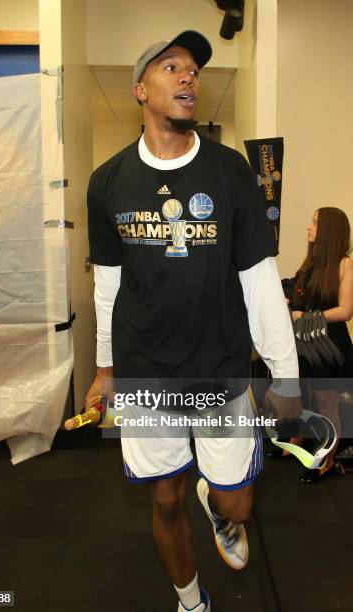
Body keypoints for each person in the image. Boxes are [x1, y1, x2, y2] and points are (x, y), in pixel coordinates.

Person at [86, 30, 300, 612]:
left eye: (195, 71)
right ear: (140, 89)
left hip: (218, 369)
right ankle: (189, 600)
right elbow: (108, 286)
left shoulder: (231, 173)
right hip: (146, 372)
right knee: (163, 500)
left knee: (238, 505)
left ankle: (220, 508)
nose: (188, 77)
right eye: (171, 67)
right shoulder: (107, 182)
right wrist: (106, 369)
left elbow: (259, 278)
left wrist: (286, 375)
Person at [287, 207, 353, 483]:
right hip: (308, 343)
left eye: (314, 223)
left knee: (327, 404)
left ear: (328, 230)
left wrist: (307, 316)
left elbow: (345, 311)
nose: (308, 227)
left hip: (330, 346)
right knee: (304, 394)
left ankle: (327, 460)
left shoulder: (345, 265)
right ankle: (298, 441)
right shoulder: (312, 263)